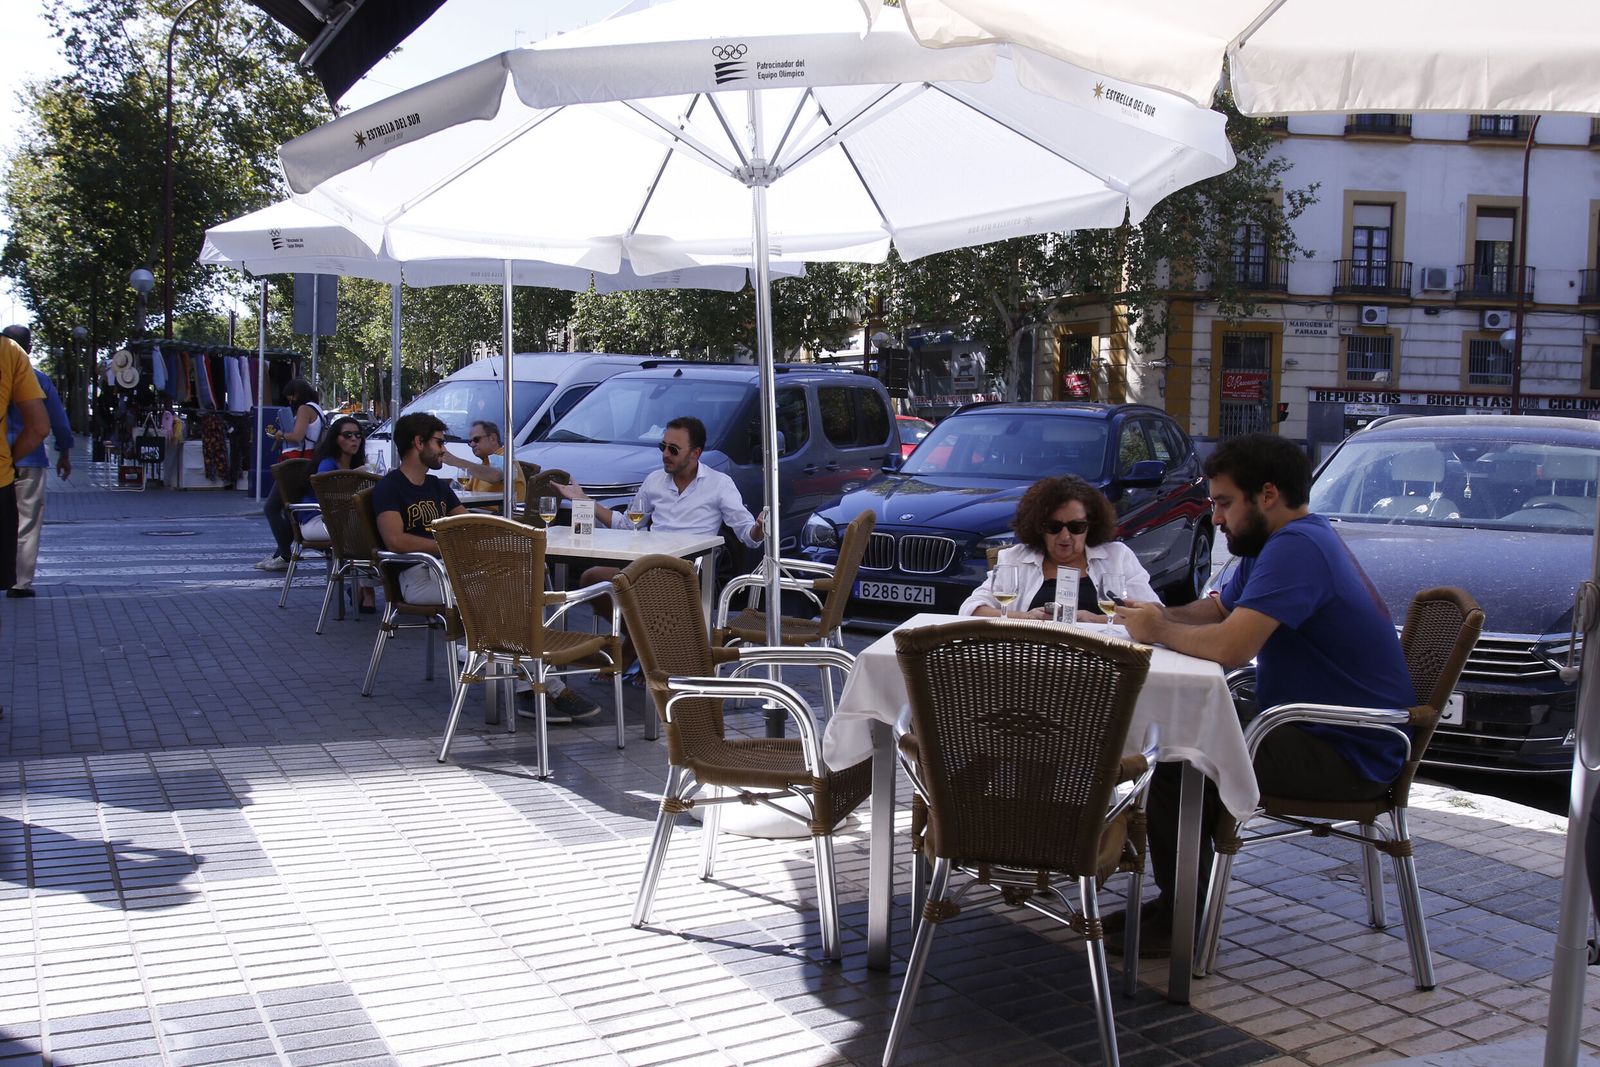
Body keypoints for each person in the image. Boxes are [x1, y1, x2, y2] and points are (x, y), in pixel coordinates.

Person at [1113, 432, 1414, 957]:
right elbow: (1220, 610)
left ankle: (1179, 917)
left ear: (1267, 495)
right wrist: (1153, 615)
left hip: (1348, 750)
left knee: (1180, 753)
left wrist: (1157, 631)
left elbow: (1232, 646)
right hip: (1317, 728)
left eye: (1224, 503)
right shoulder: (1280, 541)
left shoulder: (1297, 548)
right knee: (1180, 730)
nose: (1216, 518)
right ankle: (1176, 902)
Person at [555, 415, 765, 708]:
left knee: (644, 592)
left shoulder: (719, 484)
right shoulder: (655, 480)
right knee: (592, 579)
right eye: (662, 447)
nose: (665, 454)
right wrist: (583, 500)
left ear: (695, 453)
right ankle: (645, 649)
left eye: (673, 449)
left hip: (687, 574)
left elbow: (747, 534)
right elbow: (628, 524)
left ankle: (632, 652)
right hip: (645, 566)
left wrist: (759, 528)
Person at [960, 475, 1156, 620]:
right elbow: (971, 609)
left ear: (1091, 525)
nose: (1065, 536)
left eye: (1076, 527)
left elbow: (1152, 615)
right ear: (1039, 527)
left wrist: (1095, 620)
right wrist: (1025, 618)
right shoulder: (1015, 558)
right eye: (1054, 527)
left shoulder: (1117, 557)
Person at [2, 325, 72, 598]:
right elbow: (57, 422)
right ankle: (19, 582)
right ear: (29, 348)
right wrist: (64, 452)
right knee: (26, 521)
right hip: (28, 459)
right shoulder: (40, 380)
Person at [301, 415, 376, 613]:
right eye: (347, 435)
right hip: (316, 520)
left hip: (342, 521)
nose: (354, 439)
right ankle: (365, 590)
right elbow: (327, 495)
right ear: (336, 439)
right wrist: (354, 477)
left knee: (374, 529)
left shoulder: (356, 464)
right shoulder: (328, 463)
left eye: (358, 435)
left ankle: (363, 588)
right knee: (365, 533)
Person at [257, 378, 326, 571]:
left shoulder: (304, 409)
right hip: (307, 462)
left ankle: (285, 555)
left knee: (272, 508)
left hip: (295, 464)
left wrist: (280, 435)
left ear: (297, 394)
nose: (290, 401)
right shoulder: (317, 410)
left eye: (291, 396)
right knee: (289, 512)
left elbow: (297, 436)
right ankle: (281, 554)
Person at [0, 333, 47, 599]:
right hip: (16, 465)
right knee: (26, 523)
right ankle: (20, 582)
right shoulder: (12, 355)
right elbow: (43, 426)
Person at [438, 420, 526, 503]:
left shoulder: (505, 457)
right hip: (478, 511)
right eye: (470, 441)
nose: (472, 444)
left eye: (476, 439)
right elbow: (461, 489)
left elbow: (495, 475)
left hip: (501, 513)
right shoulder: (482, 466)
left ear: (493, 438)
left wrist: (455, 461)